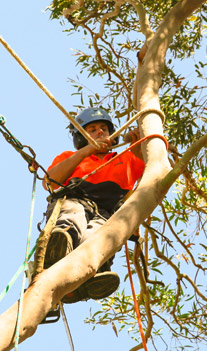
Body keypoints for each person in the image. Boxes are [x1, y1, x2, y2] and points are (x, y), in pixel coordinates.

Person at [42, 107, 144, 303]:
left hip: (107, 214)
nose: (100, 132)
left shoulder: (124, 159)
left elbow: (151, 163)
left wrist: (139, 141)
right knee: (74, 214)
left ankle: (90, 274)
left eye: (104, 128)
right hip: (75, 199)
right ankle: (62, 244)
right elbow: (50, 182)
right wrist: (88, 150)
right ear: (80, 137)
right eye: (93, 129)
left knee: (98, 235)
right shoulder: (70, 157)